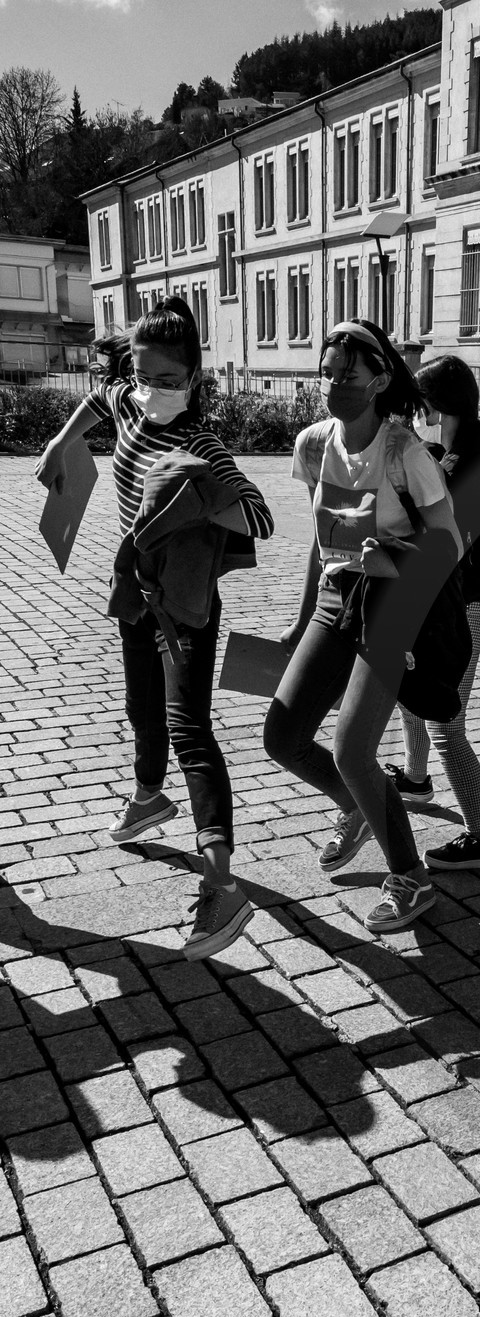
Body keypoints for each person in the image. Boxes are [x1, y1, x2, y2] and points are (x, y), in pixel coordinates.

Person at [35, 296, 273, 961]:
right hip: (134, 591)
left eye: (167, 380)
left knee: (187, 729)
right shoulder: (131, 405)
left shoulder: (203, 444)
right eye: (143, 377)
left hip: (186, 607)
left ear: (195, 379)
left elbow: (258, 518)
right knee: (142, 709)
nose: (150, 391)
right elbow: (103, 400)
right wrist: (61, 441)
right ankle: (147, 797)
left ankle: (222, 884)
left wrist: (200, 492)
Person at [265, 320, 465, 934]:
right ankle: (354, 805)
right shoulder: (312, 444)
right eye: (326, 373)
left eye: (347, 376)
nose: (333, 385)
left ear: (379, 380)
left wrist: (389, 556)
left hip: (393, 606)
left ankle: (410, 878)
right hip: (336, 598)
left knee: (354, 748)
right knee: (283, 735)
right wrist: (301, 619)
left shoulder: (406, 452)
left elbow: (450, 545)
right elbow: (322, 542)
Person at [385, 356, 480, 870]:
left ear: (437, 408)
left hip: (465, 608)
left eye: (420, 407)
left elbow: (426, 539)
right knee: (412, 693)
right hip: (460, 603)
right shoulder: (467, 457)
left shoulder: (458, 469)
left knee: (446, 723)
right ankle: (415, 779)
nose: (415, 417)